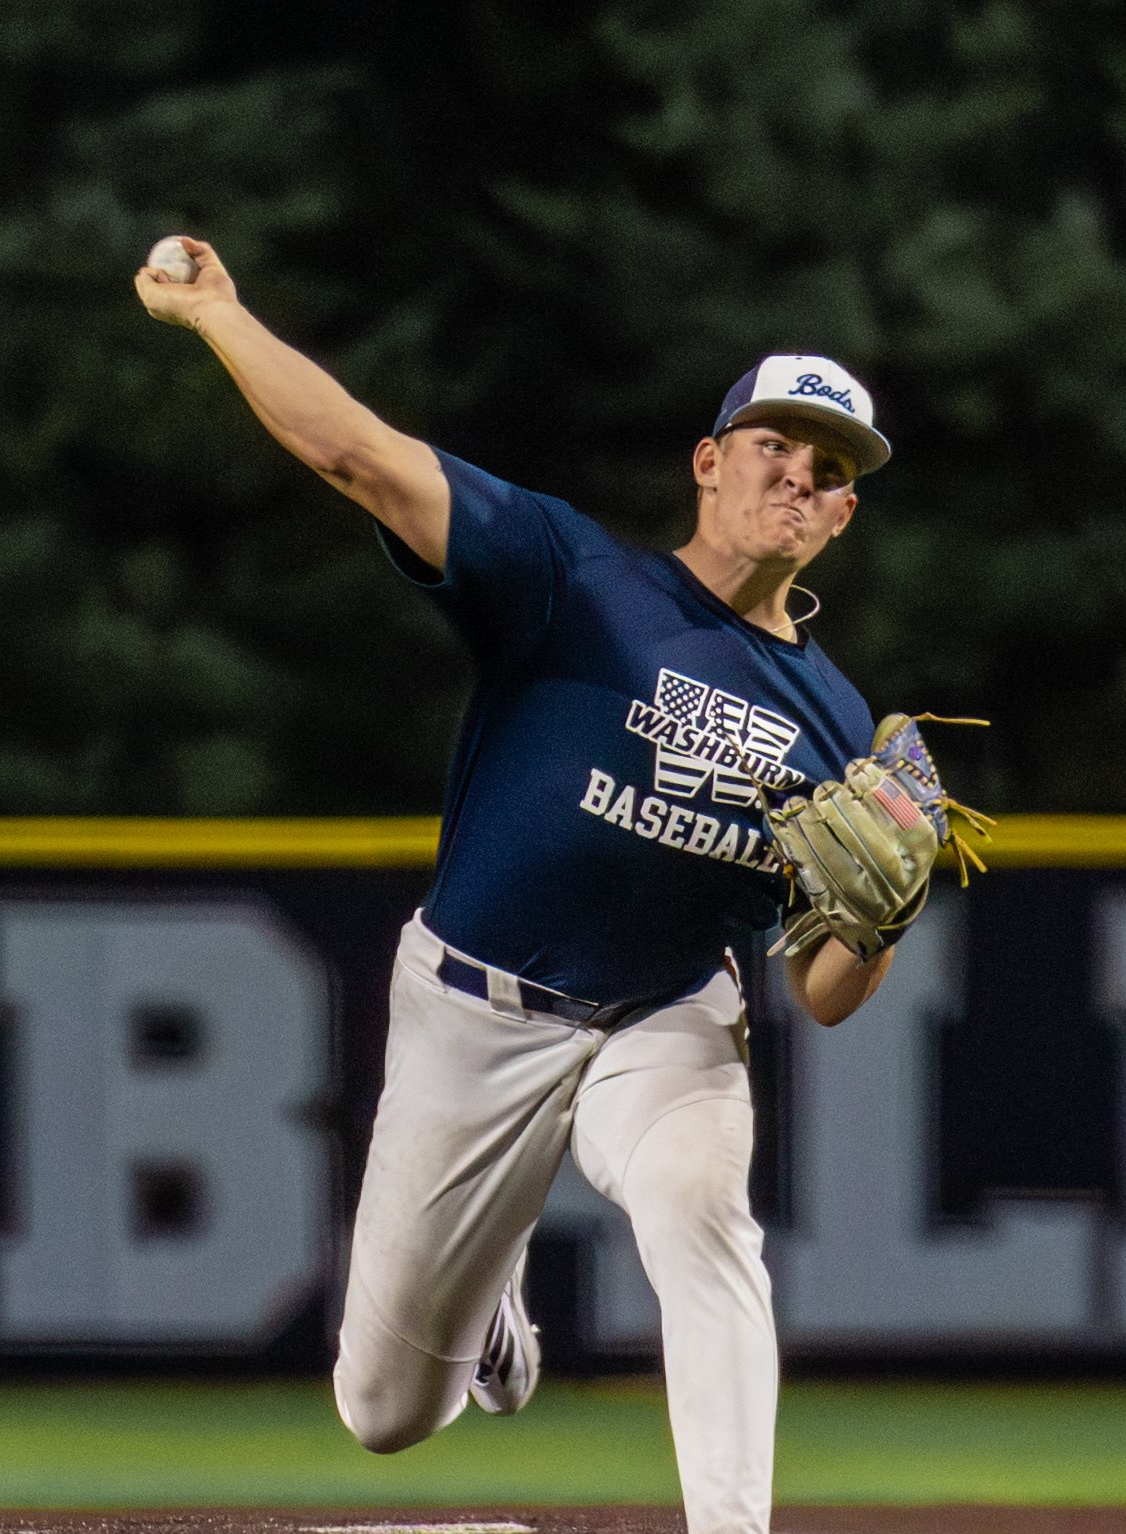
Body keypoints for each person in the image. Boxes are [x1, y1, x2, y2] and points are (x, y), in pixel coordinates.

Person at [136, 237, 902, 1534]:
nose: (796, 473)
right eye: (772, 443)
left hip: (663, 1018)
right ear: (708, 462)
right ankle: (484, 1286)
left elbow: (823, 990)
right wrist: (219, 313)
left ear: (838, 517)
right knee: (384, 1410)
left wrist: (882, 915)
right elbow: (362, 454)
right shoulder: (573, 579)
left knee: (700, 1211)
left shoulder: (834, 720)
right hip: (475, 1007)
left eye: (825, 470)